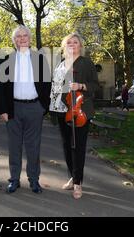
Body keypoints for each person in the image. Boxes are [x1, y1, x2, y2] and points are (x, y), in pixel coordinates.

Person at [0, 25, 51, 194]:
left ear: (29, 39)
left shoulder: (40, 59)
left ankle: (34, 180)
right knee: (14, 146)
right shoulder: (6, 60)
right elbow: (0, 88)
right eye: (18, 36)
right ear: (14, 40)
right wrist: (3, 110)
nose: (21, 38)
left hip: (35, 107)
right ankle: (14, 180)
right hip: (13, 108)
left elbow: (47, 84)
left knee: (33, 146)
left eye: (24, 36)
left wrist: (43, 107)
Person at [49, 33, 99, 199]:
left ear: (80, 45)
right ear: (64, 46)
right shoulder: (60, 65)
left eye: (75, 42)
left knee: (78, 147)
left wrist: (81, 85)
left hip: (80, 111)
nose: (72, 44)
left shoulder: (86, 63)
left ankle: (78, 183)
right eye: (69, 42)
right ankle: (72, 176)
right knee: (67, 146)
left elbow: (95, 86)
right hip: (62, 110)